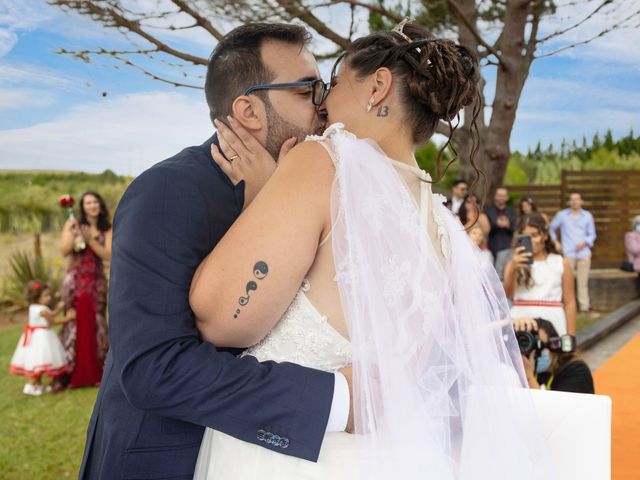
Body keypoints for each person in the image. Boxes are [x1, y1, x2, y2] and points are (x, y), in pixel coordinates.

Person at [190, 20, 552, 478]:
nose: (323, 103)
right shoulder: (442, 224)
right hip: (377, 460)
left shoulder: (322, 161)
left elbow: (218, 318)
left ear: (378, 87)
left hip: (283, 458)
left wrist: (265, 196)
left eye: (335, 84)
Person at [79, 24, 355, 480]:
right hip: (169, 461)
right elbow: (155, 368)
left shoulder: (317, 190)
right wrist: (337, 400)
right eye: (309, 89)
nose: (323, 105)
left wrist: (274, 199)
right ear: (248, 109)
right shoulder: (169, 190)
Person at [55, 191, 111, 391]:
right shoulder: (72, 224)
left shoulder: (107, 228)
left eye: (95, 201)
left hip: (96, 282)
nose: (92, 205)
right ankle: (72, 371)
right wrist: (73, 232)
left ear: (100, 204)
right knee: (74, 322)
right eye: (88, 202)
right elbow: (64, 250)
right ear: (82, 206)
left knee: (97, 322)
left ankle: (98, 372)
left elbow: (108, 255)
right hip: (75, 282)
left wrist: (90, 239)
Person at [504, 212, 577, 336]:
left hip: (553, 319)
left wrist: (571, 336)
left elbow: (569, 302)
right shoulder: (514, 263)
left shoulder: (560, 262)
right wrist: (513, 269)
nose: (531, 241)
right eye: (526, 236)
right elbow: (508, 294)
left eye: (534, 235)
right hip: (521, 320)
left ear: (545, 236)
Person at [9, 281, 74, 395]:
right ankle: (30, 385)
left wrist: (58, 309)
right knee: (38, 364)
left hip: (36, 337)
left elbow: (51, 314)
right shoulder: (42, 310)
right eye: (46, 296)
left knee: (37, 365)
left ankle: (38, 386)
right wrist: (68, 318)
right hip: (42, 338)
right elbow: (53, 321)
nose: (49, 298)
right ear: (37, 297)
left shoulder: (34, 307)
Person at [513, 317, 594, 394]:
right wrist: (507, 324)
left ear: (554, 346)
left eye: (539, 346)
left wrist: (529, 377)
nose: (532, 353)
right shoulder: (515, 367)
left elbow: (553, 408)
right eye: (526, 345)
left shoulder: (577, 371)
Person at [549, 192, 596, 312]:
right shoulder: (562, 215)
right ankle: (566, 306)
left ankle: (584, 308)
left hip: (584, 253)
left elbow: (592, 234)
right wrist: (555, 242)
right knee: (566, 282)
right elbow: (551, 228)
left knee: (582, 282)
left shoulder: (587, 216)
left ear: (581, 201)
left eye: (577, 199)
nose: (575, 202)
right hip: (568, 253)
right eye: (572, 200)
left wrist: (585, 242)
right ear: (569, 202)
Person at [484, 186, 517, 279]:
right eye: (499, 195)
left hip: (506, 247)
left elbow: (515, 228)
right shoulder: (488, 211)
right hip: (491, 246)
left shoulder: (511, 211)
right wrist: (496, 224)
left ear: (507, 197)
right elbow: (485, 229)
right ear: (495, 196)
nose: (501, 197)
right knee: (490, 276)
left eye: (503, 195)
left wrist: (507, 225)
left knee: (505, 275)